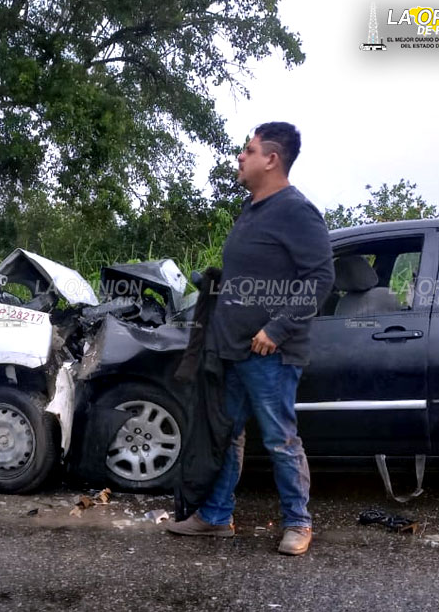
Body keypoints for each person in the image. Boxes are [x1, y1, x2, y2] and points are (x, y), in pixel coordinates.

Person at [166, 122, 334, 556]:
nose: (240, 157)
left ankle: (298, 523)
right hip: (231, 348)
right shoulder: (251, 208)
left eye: (249, 150)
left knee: (280, 438)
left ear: (271, 159)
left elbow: (320, 278)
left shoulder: (296, 210)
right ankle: (217, 517)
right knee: (227, 435)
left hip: (270, 353)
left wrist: (276, 329)